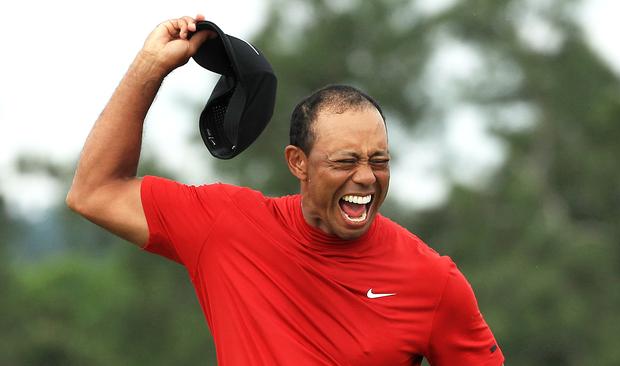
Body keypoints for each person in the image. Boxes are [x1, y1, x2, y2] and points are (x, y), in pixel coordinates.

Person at [67, 15, 505, 366]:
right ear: (298, 163)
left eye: (379, 161)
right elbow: (95, 191)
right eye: (346, 161)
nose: (368, 177)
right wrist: (150, 68)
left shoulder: (432, 280)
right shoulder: (225, 226)